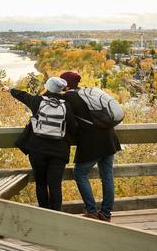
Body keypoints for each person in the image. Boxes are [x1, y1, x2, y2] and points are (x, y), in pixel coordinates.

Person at [4, 77, 76, 211]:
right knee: (55, 186)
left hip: (37, 150)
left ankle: (43, 214)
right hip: (58, 152)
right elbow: (73, 128)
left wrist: (9, 89)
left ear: (47, 87)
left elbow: (23, 96)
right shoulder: (66, 106)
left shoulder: (37, 101)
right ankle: (56, 216)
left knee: (41, 184)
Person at [60, 71, 121, 222]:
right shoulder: (87, 94)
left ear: (65, 85)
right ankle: (106, 214)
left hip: (92, 142)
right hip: (109, 139)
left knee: (79, 173)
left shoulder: (68, 97)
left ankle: (91, 210)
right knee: (107, 176)